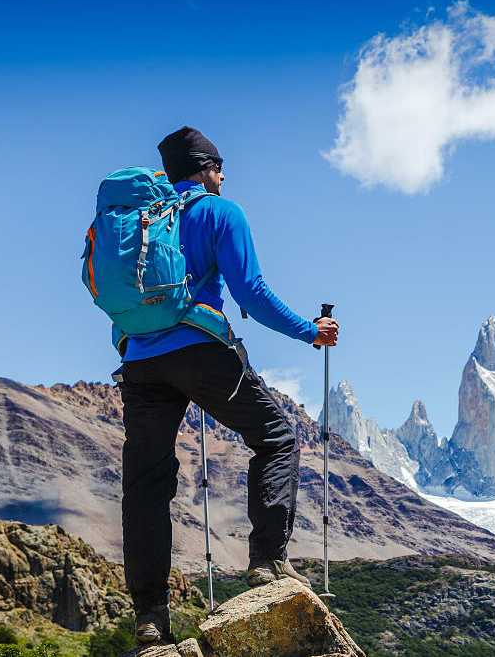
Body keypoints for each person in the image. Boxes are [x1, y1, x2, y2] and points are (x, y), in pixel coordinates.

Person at [115, 126, 339, 644]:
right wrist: (311, 331)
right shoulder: (220, 213)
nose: (223, 176)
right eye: (219, 167)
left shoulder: (140, 221)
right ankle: (266, 562)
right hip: (201, 351)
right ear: (206, 168)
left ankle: (150, 616)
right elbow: (251, 292)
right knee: (277, 436)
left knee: (146, 485)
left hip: (140, 362)